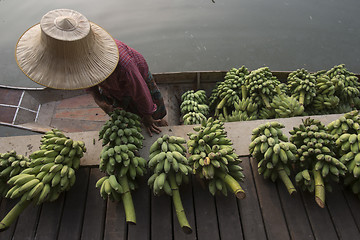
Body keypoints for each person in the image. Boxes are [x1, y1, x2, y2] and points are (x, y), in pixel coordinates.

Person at [15, 8, 167, 136]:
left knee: (148, 109)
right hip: (109, 85)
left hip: (133, 79)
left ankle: (157, 121)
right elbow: (86, 79)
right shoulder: (78, 62)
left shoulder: (125, 66)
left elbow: (140, 92)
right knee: (122, 108)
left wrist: (148, 116)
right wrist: (98, 99)